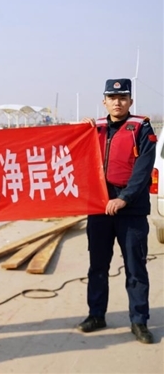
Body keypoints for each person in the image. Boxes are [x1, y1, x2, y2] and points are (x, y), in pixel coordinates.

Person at [78, 78, 157, 344]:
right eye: (112, 98)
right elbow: (75, 156)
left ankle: (139, 321)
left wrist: (124, 198)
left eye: (123, 97)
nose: (117, 102)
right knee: (98, 266)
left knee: (135, 268)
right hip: (99, 207)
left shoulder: (141, 128)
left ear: (130, 101)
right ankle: (96, 315)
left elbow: (143, 169)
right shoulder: (95, 128)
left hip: (131, 209)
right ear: (104, 102)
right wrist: (79, 131)